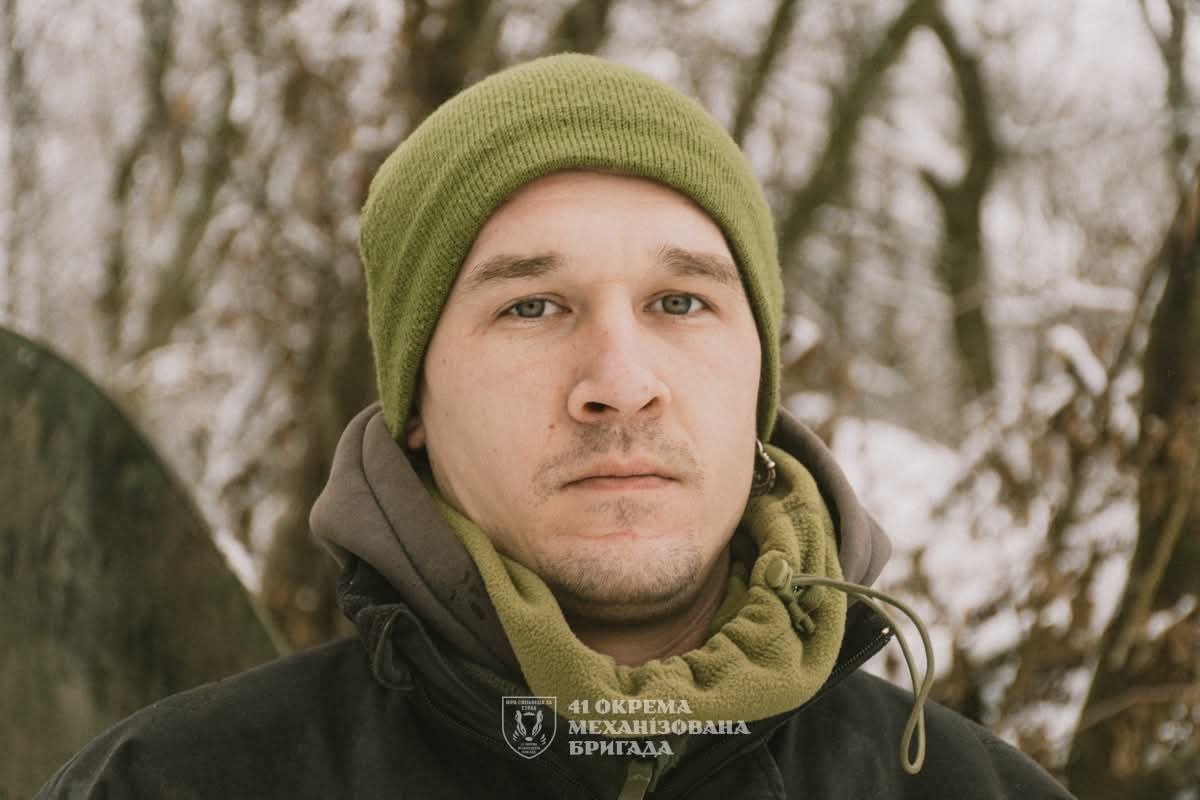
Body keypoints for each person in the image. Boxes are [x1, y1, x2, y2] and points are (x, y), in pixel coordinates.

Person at [38, 54, 1073, 799]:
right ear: (414, 405)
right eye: (531, 306)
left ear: (758, 372)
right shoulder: (171, 782)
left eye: (681, 302)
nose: (620, 384)